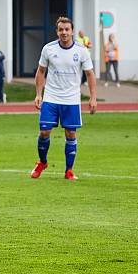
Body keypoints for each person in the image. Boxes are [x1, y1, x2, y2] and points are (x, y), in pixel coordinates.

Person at [31, 17, 97, 181]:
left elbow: (90, 74)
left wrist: (93, 97)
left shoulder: (82, 51)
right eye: (61, 30)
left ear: (72, 31)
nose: (64, 33)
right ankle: (43, 162)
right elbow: (40, 71)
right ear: (57, 31)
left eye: (67, 29)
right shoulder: (48, 49)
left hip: (71, 99)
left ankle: (69, 170)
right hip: (51, 97)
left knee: (70, 134)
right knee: (44, 131)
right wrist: (39, 94)